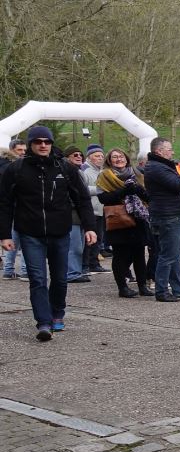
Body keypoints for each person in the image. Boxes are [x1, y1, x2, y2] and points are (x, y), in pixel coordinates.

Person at [0, 126, 96, 340]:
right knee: (37, 279)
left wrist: (90, 227)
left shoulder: (65, 168)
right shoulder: (16, 169)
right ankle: (43, 322)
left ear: (52, 144)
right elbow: (5, 204)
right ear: (31, 144)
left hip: (60, 231)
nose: (43, 145)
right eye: (38, 141)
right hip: (30, 232)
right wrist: (4, 235)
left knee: (60, 279)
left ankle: (57, 314)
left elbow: (82, 199)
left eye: (47, 141)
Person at [144, 137, 180, 302]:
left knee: (176, 254)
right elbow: (177, 185)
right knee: (168, 255)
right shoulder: (156, 168)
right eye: (169, 149)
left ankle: (177, 289)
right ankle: (161, 290)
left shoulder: (163, 166)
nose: (172, 152)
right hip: (167, 216)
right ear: (159, 151)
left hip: (177, 214)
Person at [96, 148, 154, 298]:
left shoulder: (136, 174)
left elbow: (148, 197)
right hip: (118, 220)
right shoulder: (104, 176)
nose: (118, 159)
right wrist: (124, 191)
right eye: (114, 157)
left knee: (139, 254)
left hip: (138, 218)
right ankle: (122, 287)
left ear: (126, 158)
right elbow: (103, 199)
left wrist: (137, 190)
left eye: (121, 156)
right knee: (121, 255)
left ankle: (142, 286)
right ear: (109, 160)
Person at [61, 147, 91, 284]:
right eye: (75, 155)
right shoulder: (65, 171)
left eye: (81, 154)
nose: (79, 156)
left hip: (81, 214)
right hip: (70, 214)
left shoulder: (79, 172)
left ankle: (76, 270)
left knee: (80, 246)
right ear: (67, 157)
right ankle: (71, 273)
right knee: (74, 246)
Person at [0, 141, 28, 279]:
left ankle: (8, 269)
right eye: (19, 150)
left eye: (24, 150)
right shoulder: (11, 167)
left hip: (12, 207)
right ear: (11, 150)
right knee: (22, 239)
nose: (23, 152)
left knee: (13, 239)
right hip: (15, 207)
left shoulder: (6, 164)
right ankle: (24, 270)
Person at [82, 143, 107, 270]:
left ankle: (94, 263)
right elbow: (82, 189)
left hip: (101, 209)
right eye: (97, 156)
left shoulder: (102, 171)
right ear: (89, 157)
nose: (100, 158)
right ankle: (85, 265)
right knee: (89, 239)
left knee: (99, 238)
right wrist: (99, 190)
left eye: (102, 156)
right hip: (91, 209)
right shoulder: (84, 170)